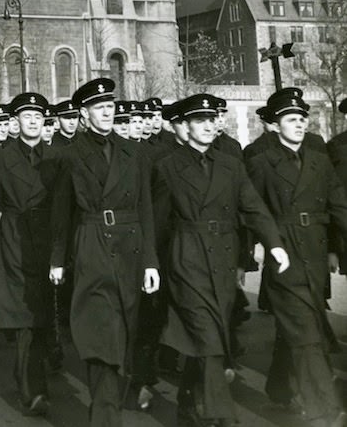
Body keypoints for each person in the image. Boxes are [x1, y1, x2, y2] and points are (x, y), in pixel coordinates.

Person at [152, 92, 289, 427]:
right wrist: (151, 266)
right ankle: (219, 412)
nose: (209, 126)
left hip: (223, 259)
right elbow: (156, 223)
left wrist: (274, 244)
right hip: (186, 260)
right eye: (200, 121)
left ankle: (187, 398)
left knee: (211, 333)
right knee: (207, 333)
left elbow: (253, 208)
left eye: (212, 120)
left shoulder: (230, 165)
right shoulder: (167, 167)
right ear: (183, 126)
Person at [49, 77, 159, 427]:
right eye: (99, 108)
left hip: (129, 246)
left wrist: (150, 262)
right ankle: (104, 416)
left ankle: (111, 401)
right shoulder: (70, 154)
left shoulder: (134, 152)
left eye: (110, 106)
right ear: (84, 114)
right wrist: (57, 259)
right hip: (92, 242)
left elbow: (146, 210)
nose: (107, 112)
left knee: (124, 330)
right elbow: (62, 212)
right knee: (101, 331)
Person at [246, 87, 347, 427]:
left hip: (315, 255)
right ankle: (324, 409)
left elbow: (339, 206)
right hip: (284, 255)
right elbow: (250, 210)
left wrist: (336, 246)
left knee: (303, 325)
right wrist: (258, 245)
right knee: (306, 333)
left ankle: (278, 386)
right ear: (275, 125)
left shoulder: (319, 161)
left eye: (303, 118)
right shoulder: (260, 163)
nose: (300, 124)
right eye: (291, 119)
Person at [0, 91, 58, 417]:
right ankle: (31, 388)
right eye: (27, 117)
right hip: (13, 242)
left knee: (41, 314)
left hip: (48, 240)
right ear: (16, 122)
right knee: (26, 316)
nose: (34, 121)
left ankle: (32, 378)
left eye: (39, 117)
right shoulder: (1, 160)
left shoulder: (57, 158)